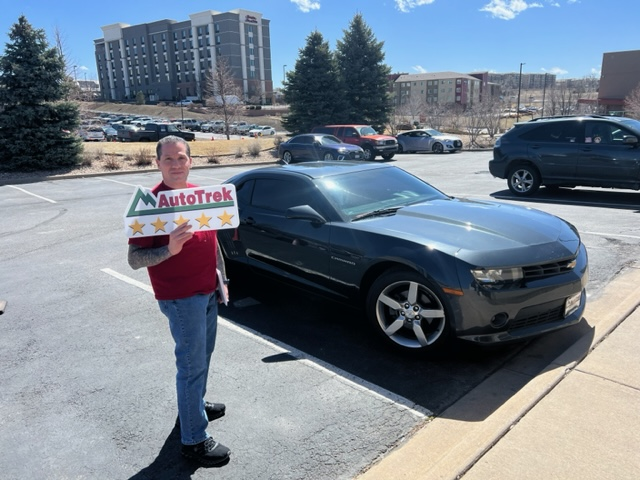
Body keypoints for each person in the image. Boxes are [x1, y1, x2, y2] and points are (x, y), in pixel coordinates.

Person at [127, 135, 231, 467]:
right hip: (181, 299)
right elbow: (134, 259)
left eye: (181, 158)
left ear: (190, 161)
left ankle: (193, 408)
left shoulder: (200, 196)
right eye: (169, 159)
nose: (176, 164)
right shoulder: (149, 206)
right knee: (191, 366)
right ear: (157, 163)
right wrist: (169, 249)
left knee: (202, 358)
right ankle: (194, 442)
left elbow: (212, 242)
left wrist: (221, 278)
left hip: (207, 291)